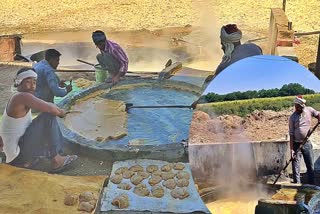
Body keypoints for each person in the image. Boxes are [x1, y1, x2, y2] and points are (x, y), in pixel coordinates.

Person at [0, 68, 77, 173]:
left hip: (16, 155)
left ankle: (29, 161)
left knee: (40, 120)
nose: (32, 86)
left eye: (34, 82)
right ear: (19, 83)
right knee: (48, 116)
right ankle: (56, 160)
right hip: (18, 157)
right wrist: (62, 113)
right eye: (28, 82)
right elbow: (51, 109)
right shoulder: (22, 96)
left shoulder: (18, 97)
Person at [192, 24, 263, 109]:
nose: (221, 47)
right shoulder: (254, 47)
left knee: (209, 80)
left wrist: (198, 103)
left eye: (222, 44)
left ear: (228, 44)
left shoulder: (225, 65)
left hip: (243, 95)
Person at [289, 95, 320, 184]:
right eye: (295, 106)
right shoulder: (292, 117)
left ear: (302, 106)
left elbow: (317, 114)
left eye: (298, 107)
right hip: (295, 144)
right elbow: (291, 134)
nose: (297, 108)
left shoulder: (309, 110)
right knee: (296, 167)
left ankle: (311, 186)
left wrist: (319, 117)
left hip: (306, 143)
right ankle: (297, 186)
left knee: (310, 166)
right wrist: (291, 150)